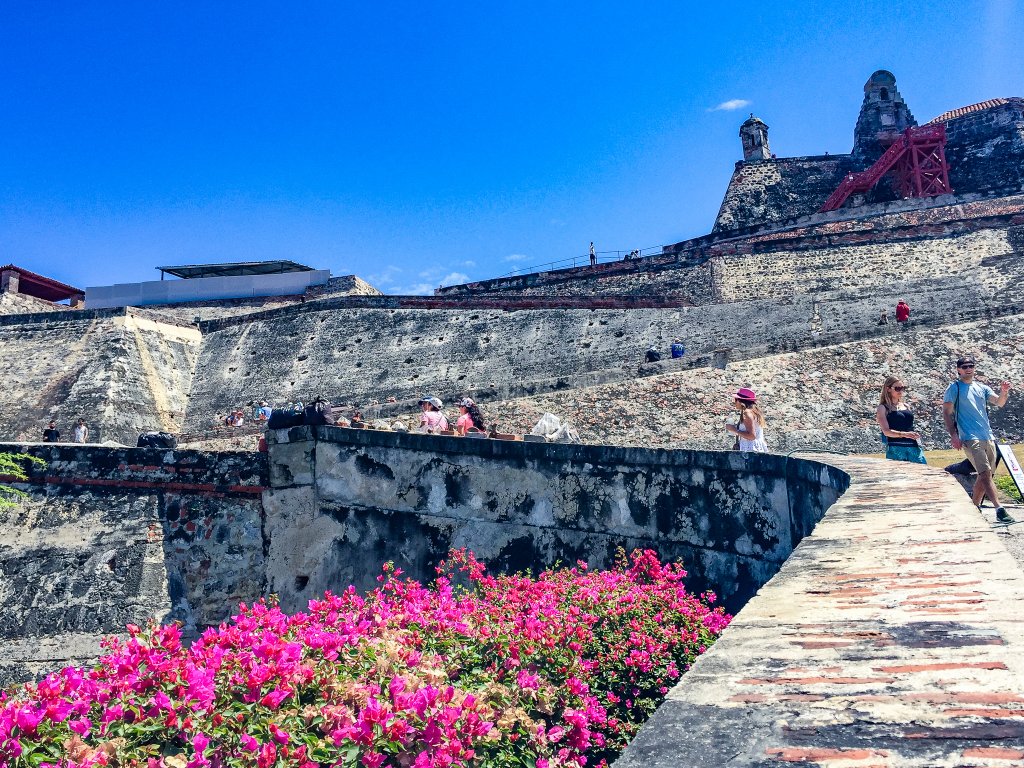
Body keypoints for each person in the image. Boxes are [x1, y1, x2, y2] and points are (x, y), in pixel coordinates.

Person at [942, 356, 1013, 522]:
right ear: (958, 370)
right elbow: (946, 412)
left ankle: (973, 509)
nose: (968, 369)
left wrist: (1004, 392)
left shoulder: (982, 387)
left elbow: (999, 402)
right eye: (964, 366)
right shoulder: (954, 388)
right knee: (985, 473)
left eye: (971, 366)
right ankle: (999, 509)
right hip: (969, 437)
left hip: (987, 436)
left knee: (985, 475)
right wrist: (954, 435)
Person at [875, 376, 925, 464]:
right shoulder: (883, 408)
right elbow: (886, 431)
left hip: (914, 447)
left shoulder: (906, 406)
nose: (901, 391)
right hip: (896, 448)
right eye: (897, 388)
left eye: (902, 388)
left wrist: (913, 435)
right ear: (888, 389)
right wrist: (905, 434)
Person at [724, 387, 767, 453]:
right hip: (757, 449)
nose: (734, 402)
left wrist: (734, 429)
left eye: (736, 400)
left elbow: (751, 436)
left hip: (751, 450)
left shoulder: (747, 413)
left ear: (740, 401)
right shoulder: (754, 412)